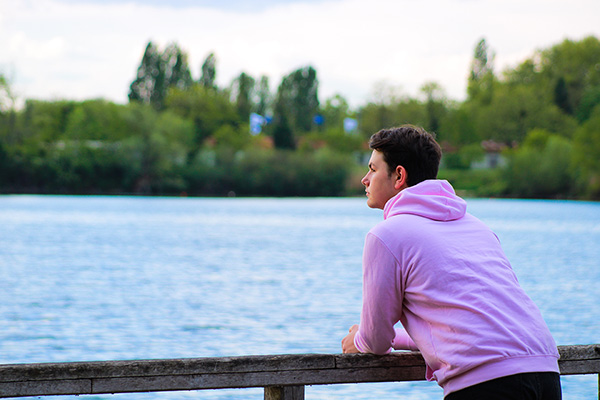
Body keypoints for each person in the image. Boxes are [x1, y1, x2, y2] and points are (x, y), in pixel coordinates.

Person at [341, 125, 561, 399]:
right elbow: (468, 323)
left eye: (373, 169)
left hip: (487, 383)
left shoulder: (386, 236)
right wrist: (395, 339)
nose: (364, 179)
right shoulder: (477, 227)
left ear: (399, 175)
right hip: (545, 371)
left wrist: (358, 339)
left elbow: (374, 341)